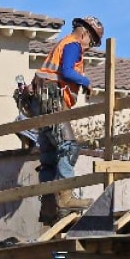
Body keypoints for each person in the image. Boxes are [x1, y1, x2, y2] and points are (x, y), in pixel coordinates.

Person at [31, 16, 105, 225]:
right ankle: (65, 198)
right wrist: (86, 81)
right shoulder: (73, 44)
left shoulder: (61, 45)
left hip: (41, 103)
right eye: (90, 43)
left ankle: (48, 205)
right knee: (69, 147)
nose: (88, 48)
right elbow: (67, 71)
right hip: (53, 101)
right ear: (84, 34)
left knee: (49, 156)